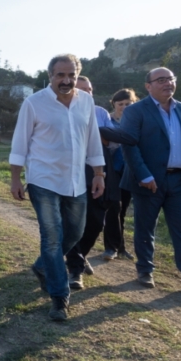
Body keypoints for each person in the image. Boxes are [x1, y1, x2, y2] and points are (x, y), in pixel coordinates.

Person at [105, 67, 181, 292]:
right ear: (148, 86)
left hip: (180, 180)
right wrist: (144, 175)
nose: (168, 83)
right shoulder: (136, 111)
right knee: (145, 227)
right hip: (147, 180)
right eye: (161, 80)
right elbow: (130, 145)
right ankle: (145, 270)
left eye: (170, 79)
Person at [9, 54, 105, 322]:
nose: (66, 80)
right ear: (50, 75)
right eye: (60, 75)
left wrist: (98, 173)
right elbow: (20, 143)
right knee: (52, 238)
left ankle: (43, 266)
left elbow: (93, 139)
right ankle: (59, 298)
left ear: (77, 74)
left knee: (75, 232)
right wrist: (16, 178)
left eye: (71, 75)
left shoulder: (86, 101)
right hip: (43, 179)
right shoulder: (34, 103)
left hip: (76, 180)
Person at [63, 76, 119, 289]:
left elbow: (109, 140)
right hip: (71, 170)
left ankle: (80, 255)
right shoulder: (62, 111)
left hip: (98, 170)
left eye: (90, 90)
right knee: (72, 221)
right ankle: (75, 269)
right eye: (82, 89)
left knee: (96, 222)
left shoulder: (101, 112)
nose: (88, 93)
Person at [101, 88, 138, 261]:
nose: (124, 107)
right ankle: (111, 248)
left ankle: (121, 247)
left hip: (129, 171)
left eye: (128, 104)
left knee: (122, 210)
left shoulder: (138, 122)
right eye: (120, 104)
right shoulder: (107, 120)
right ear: (114, 104)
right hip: (112, 171)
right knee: (113, 208)